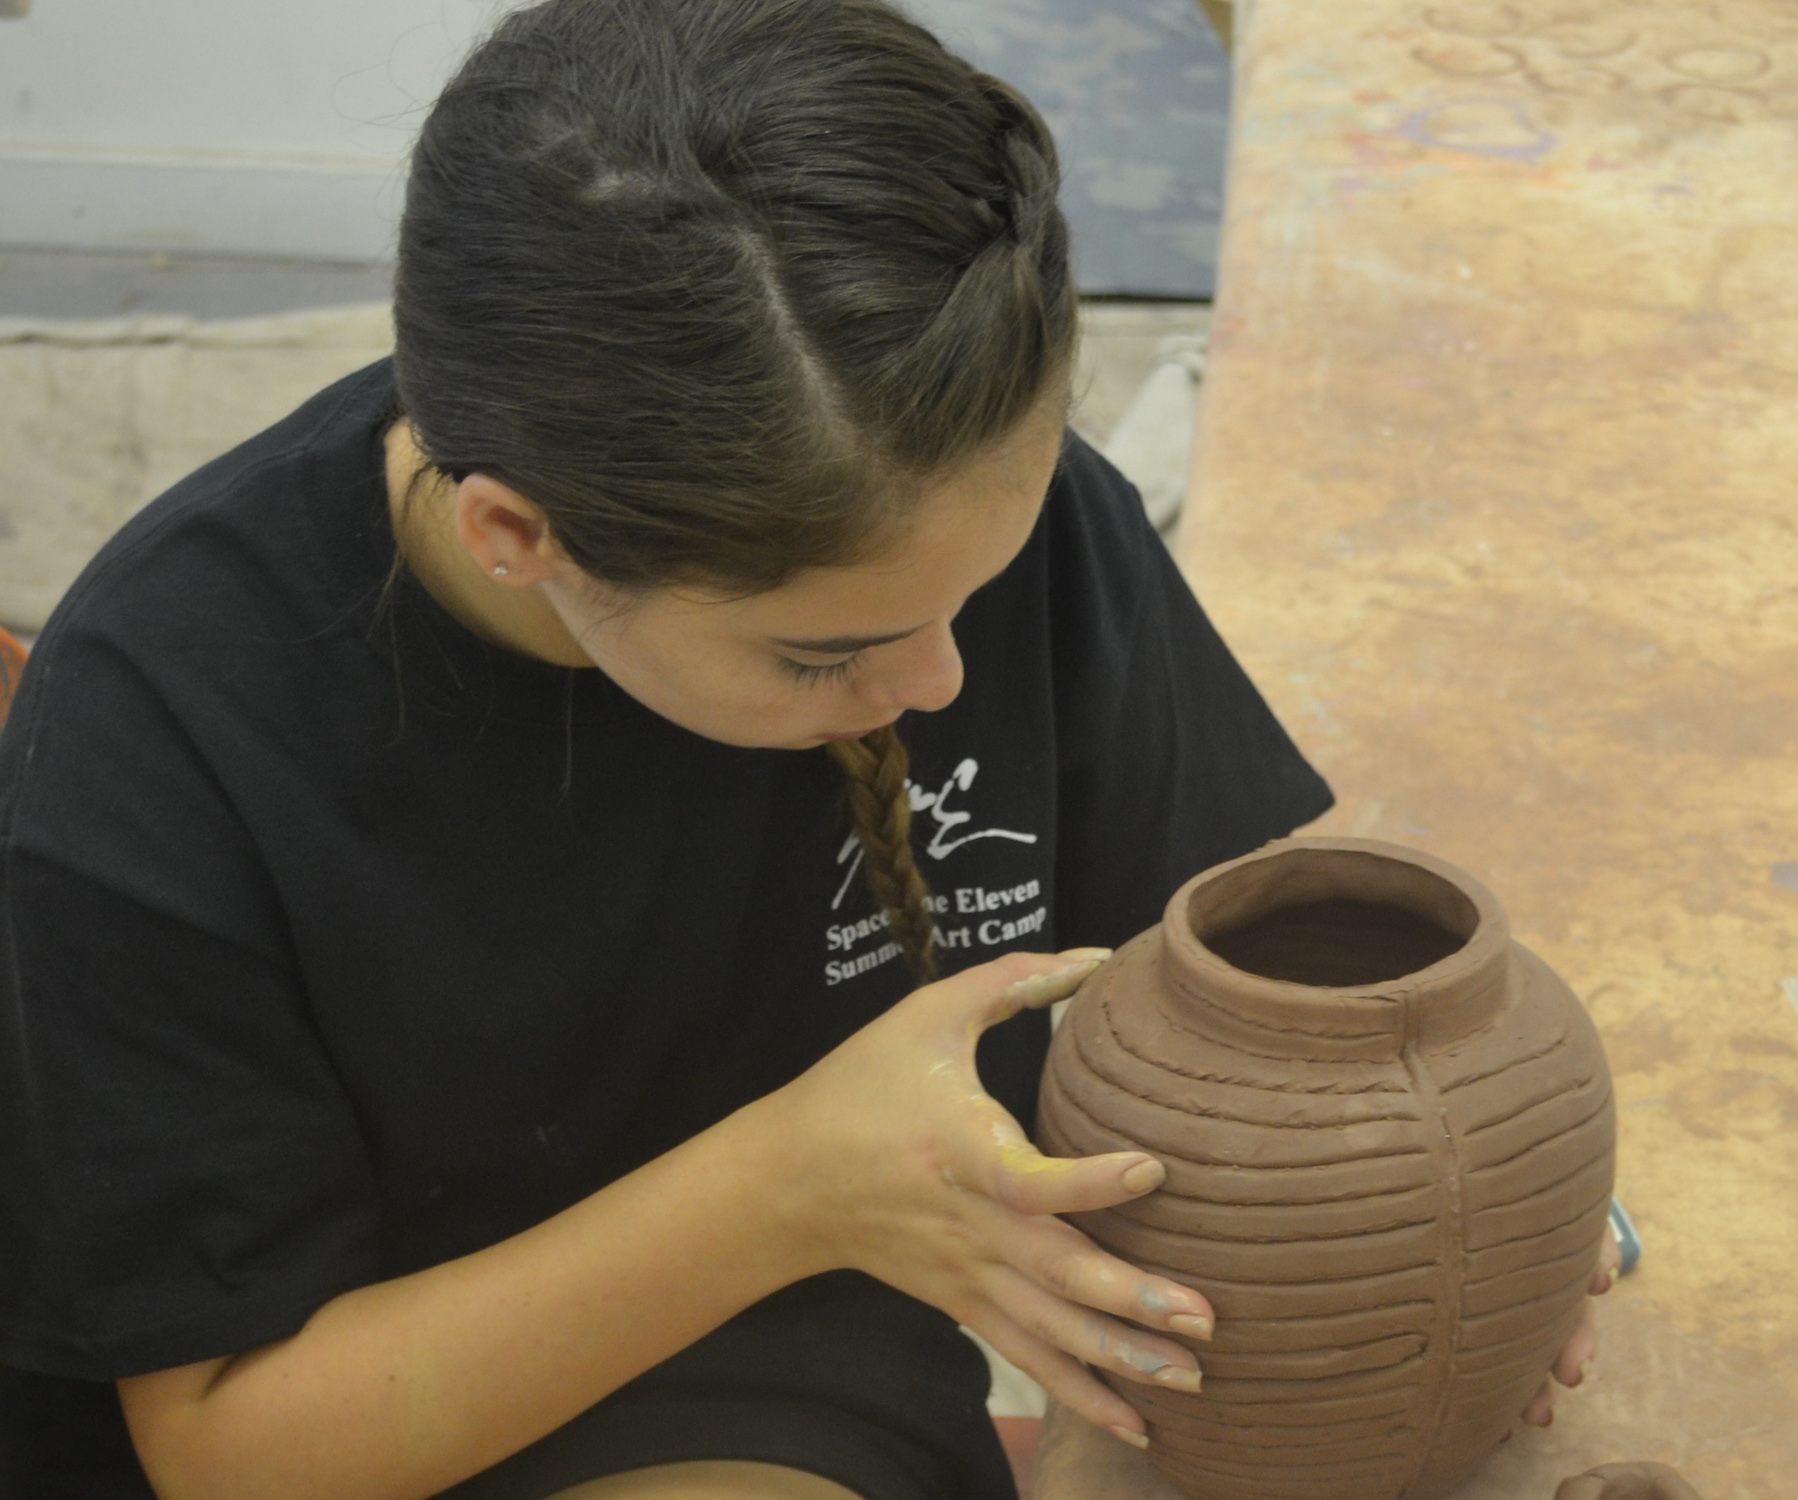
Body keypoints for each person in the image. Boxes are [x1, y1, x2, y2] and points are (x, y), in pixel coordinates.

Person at [0, 2, 1601, 1497]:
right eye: (824, 651)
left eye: (981, 581)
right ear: (515, 532)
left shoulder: (956, 527)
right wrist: (788, 1189)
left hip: (805, 1351)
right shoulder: (162, 731)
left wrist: (1443, 1202)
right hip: (397, 1401)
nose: (944, 673)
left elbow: (1226, 986)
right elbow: (227, 1447)